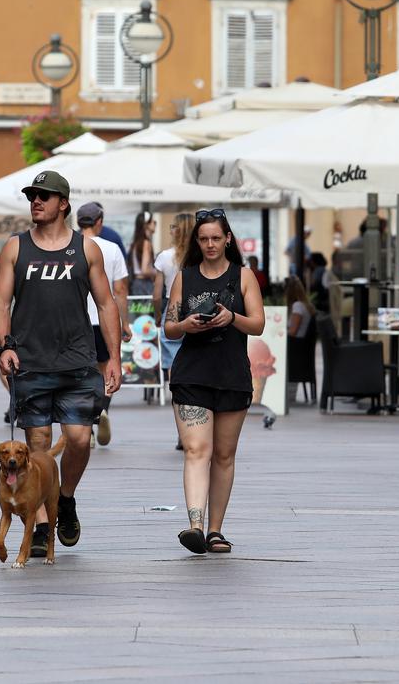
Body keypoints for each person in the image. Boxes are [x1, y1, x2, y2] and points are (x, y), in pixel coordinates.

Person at [0, 171, 121, 555]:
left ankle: (65, 498)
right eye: (32, 195)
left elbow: (106, 304)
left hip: (78, 361)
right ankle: (42, 526)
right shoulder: (15, 247)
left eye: (44, 196)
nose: (36, 201)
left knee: (79, 439)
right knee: (38, 444)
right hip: (30, 362)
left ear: (63, 203)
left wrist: (114, 357)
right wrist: (4, 346)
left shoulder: (86, 249)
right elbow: (0, 303)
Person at [163, 208, 265, 555]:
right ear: (197, 241)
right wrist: (186, 325)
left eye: (216, 238)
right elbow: (170, 327)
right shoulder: (185, 277)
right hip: (191, 374)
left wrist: (231, 317)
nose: (210, 244)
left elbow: (258, 324)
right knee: (196, 449)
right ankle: (194, 525)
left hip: (232, 374)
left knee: (223, 454)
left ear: (228, 239)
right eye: (204, 239)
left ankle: (215, 530)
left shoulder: (243, 276)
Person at [76, 202, 129, 448]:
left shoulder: (71, 246)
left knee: (82, 373)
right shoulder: (112, 248)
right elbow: (120, 290)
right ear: (99, 222)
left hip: (78, 321)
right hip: (105, 319)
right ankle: (102, 410)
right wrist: (124, 322)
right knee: (107, 368)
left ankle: (86, 424)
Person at [154, 213, 194, 410]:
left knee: (172, 357)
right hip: (195, 306)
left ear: (176, 231)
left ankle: (178, 399)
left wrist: (157, 315)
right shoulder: (198, 257)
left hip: (173, 308)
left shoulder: (165, 256)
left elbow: (156, 294)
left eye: (172, 227)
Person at [128, 211, 157, 296]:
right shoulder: (146, 243)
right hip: (145, 284)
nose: (155, 224)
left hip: (136, 283)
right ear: (146, 225)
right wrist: (158, 273)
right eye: (153, 222)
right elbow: (145, 270)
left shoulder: (136, 243)